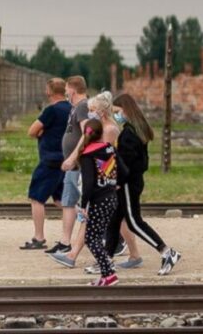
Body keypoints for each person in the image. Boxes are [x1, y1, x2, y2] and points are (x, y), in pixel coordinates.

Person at [49, 91, 129, 268]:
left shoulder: (108, 130)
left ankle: (101, 259)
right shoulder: (99, 128)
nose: (89, 113)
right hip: (102, 183)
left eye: (92, 110)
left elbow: (104, 158)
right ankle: (74, 256)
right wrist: (73, 159)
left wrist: (96, 181)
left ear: (100, 111)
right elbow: (85, 142)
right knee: (103, 220)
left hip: (102, 184)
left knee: (99, 221)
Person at [105, 93, 181, 275]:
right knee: (114, 221)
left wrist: (117, 182)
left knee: (134, 222)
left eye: (117, 112)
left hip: (127, 184)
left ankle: (166, 252)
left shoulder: (128, 135)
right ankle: (105, 261)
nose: (116, 115)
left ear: (125, 110)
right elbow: (141, 163)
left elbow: (125, 165)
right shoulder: (136, 130)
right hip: (133, 181)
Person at [21, 78, 71, 250]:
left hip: (49, 160)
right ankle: (95, 227)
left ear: (49, 91)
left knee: (36, 198)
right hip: (65, 159)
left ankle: (39, 237)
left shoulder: (51, 110)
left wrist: (42, 132)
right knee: (63, 200)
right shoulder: (71, 109)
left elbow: (32, 130)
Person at [44, 76, 89, 255]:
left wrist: (73, 156)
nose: (65, 93)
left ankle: (114, 237)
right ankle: (65, 242)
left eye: (67, 90)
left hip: (79, 163)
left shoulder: (83, 106)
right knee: (68, 201)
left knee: (86, 204)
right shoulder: (75, 107)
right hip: (73, 165)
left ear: (73, 89)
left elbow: (88, 133)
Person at [77, 118, 119, 286]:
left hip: (98, 201)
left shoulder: (87, 155)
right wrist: (116, 183)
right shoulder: (110, 149)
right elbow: (122, 168)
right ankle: (108, 272)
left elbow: (87, 184)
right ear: (101, 133)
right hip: (112, 198)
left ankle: (108, 274)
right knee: (98, 236)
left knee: (91, 238)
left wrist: (83, 204)